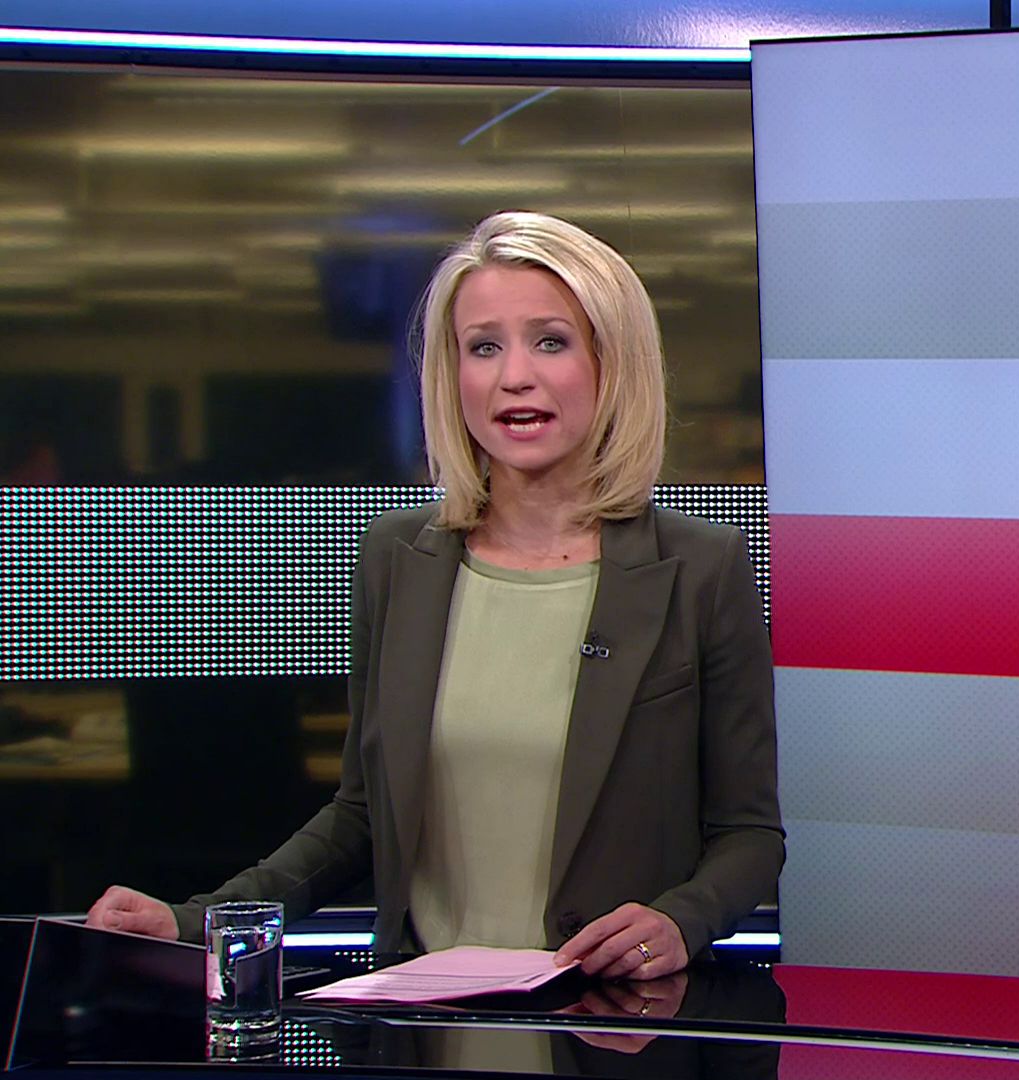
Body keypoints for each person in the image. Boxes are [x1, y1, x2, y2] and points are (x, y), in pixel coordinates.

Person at [86, 211, 783, 980]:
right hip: (422, 1013)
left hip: (611, 1017)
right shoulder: (399, 558)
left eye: (550, 341)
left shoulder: (700, 568)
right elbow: (361, 817)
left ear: (612, 363)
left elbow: (748, 835)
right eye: (483, 346)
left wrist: (680, 921)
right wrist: (201, 920)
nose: (514, 375)